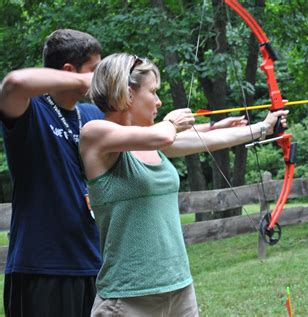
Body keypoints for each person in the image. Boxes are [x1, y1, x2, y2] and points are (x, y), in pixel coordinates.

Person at [79, 53, 288, 316]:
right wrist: (171, 122)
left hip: (179, 289)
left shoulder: (155, 140)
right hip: (128, 299)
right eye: (153, 92)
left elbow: (211, 140)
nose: (158, 101)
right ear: (128, 93)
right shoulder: (94, 134)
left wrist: (263, 128)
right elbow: (163, 135)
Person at [0, 29, 103, 316]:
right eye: (95, 68)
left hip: (91, 263)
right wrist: (85, 80)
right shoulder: (31, 109)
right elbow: (15, 82)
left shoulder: (92, 115)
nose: (99, 77)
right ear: (70, 70)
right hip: (41, 267)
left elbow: (144, 134)